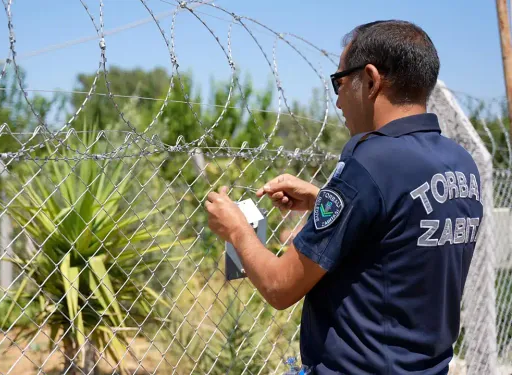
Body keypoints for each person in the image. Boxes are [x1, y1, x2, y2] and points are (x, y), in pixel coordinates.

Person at [205, 20, 483, 374]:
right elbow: (401, 225)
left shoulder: (370, 162)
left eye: (339, 82)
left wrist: (236, 229)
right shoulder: (460, 163)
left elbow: (279, 286)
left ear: (370, 80)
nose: (337, 99)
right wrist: (323, 197)